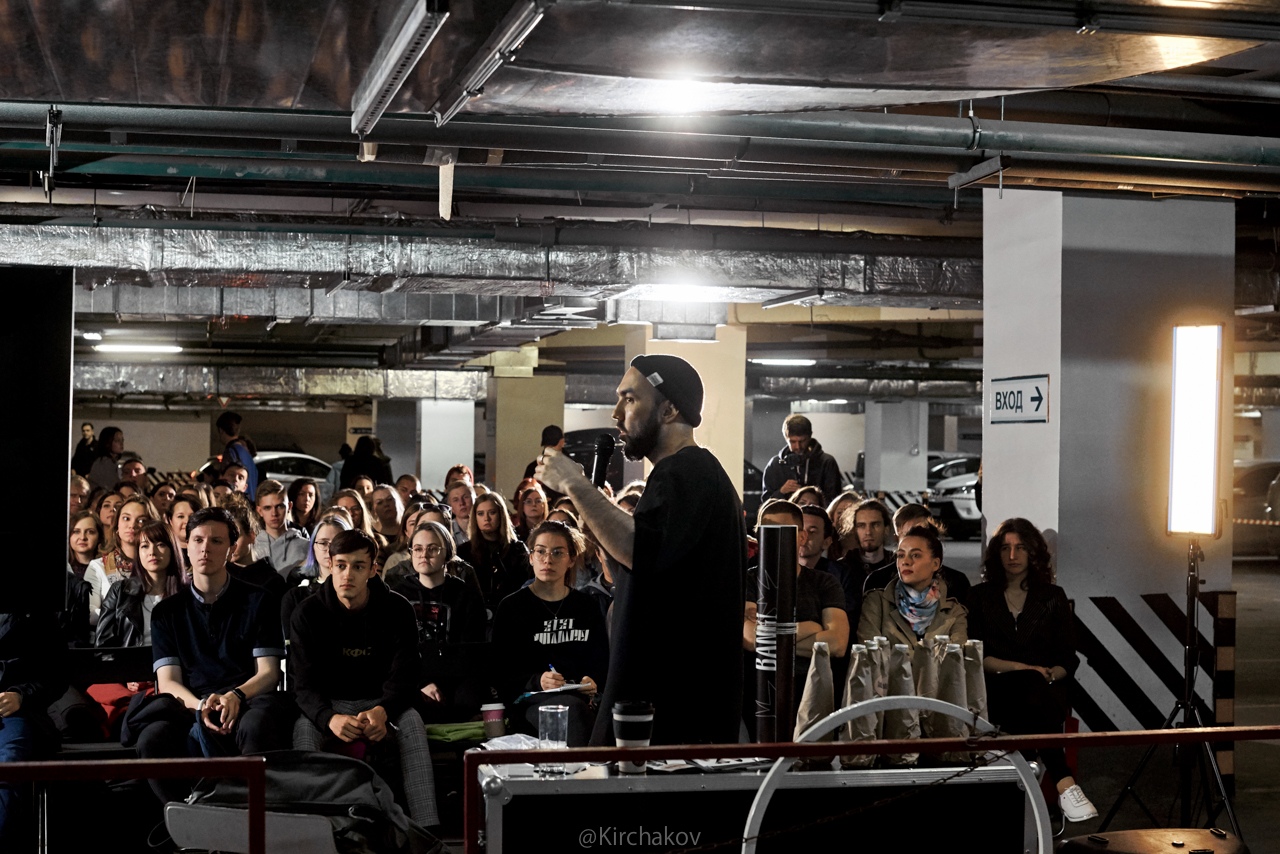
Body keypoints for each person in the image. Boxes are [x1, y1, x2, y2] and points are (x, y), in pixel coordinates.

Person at [538, 353, 745, 746]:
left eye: (630, 399)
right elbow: (648, 568)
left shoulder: (687, 472)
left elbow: (640, 549)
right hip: (671, 704)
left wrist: (574, 485)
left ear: (669, 409)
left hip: (674, 709)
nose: (616, 413)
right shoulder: (689, 474)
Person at [138, 507, 292, 804]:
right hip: (191, 703)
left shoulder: (259, 600)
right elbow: (168, 682)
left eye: (216, 541)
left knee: (257, 726)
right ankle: (186, 818)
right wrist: (201, 706)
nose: (205, 548)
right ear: (187, 546)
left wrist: (235, 696)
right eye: (198, 540)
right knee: (152, 739)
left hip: (246, 699)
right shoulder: (167, 612)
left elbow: (269, 673)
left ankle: (251, 815)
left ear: (231, 548)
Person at [290, 529, 438, 827]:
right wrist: (328, 718)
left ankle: (427, 829)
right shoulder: (307, 613)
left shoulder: (398, 609)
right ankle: (310, 829)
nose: (348, 574)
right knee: (304, 729)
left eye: (358, 566)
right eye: (341, 565)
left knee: (412, 722)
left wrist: (384, 710)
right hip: (331, 704)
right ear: (330, 565)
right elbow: (303, 685)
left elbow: (406, 673)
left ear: (373, 570)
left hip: (382, 702)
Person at [968, 517, 1097, 822]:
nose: (1012, 556)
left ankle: (1023, 777)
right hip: (996, 690)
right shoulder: (980, 596)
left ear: (1033, 552)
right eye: (1005, 548)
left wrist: (1051, 674)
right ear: (996, 553)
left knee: (1033, 689)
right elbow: (976, 655)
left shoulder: (1052, 597)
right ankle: (1064, 783)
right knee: (1027, 683)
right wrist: (1026, 669)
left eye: (1021, 548)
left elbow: (1068, 658)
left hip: (1045, 693)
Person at [492, 520, 608, 746]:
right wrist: (537, 681)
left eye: (557, 552)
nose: (548, 559)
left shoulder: (586, 606)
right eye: (541, 551)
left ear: (571, 559)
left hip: (581, 698)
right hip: (531, 700)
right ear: (531, 557)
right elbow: (500, 671)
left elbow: (601, 660)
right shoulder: (512, 607)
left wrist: (592, 680)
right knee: (571, 712)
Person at [743, 500, 848, 732]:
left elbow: (837, 644)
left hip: (809, 691)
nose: (774, 538)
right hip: (759, 692)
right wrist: (809, 627)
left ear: (801, 537)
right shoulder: (749, 580)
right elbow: (750, 639)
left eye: (783, 531)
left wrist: (771, 635)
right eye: (766, 531)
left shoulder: (824, 583)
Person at [393, 520, 488, 722]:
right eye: (418, 549)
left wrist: (442, 684)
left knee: (469, 699)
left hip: (457, 678)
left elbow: (471, 651)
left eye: (432, 549)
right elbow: (396, 650)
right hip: (413, 677)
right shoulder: (398, 595)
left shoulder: (466, 595)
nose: (424, 555)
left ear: (447, 552)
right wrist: (422, 683)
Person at [0, 612, 66, 846]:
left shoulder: (40, 618)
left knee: (8, 762)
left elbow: (57, 677)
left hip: (13, 713)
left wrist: (21, 695)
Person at [856, 524, 967, 653]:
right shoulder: (877, 603)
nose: (905, 562)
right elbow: (870, 655)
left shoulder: (954, 611)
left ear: (935, 564)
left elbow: (955, 658)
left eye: (915, 555)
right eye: (901, 555)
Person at [860, 503, 972, 606]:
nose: (915, 539)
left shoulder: (956, 582)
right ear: (897, 539)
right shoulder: (877, 582)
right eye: (908, 534)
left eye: (922, 532)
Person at [95, 518, 183, 647]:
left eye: (160, 545)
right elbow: (103, 646)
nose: (152, 552)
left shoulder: (187, 594)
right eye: (145, 546)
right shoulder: (120, 592)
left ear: (172, 549)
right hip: (131, 659)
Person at [457, 493, 532, 619]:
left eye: (492, 512)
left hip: (511, 614)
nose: (486, 518)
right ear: (475, 517)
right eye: (480, 514)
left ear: (501, 515)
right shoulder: (464, 551)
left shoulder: (517, 549)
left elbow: (526, 586)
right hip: (474, 616)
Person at [86, 495, 158, 622]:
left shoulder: (157, 564)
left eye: (141, 520)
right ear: (117, 525)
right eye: (126, 518)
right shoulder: (98, 566)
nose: (132, 525)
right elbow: (89, 613)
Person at [281, 513, 352, 635]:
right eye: (323, 543)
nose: (329, 549)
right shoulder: (296, 596)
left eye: (337, 543)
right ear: (313, 547)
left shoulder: (360, 592)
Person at [762, 414, 842, 502]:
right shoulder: (775, 465)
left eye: (802, 441)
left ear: (810, 436)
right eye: (793, 441)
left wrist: (812, 497)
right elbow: (765, 503)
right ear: (785, 438)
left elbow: (834, 501)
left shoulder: (827, 462)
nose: (798, 446)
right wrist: (781, 492)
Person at [253, 479, 311, 579]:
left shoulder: (306, 546)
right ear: (259, 511)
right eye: (267, 508)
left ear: (289, 507)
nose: (274, 513)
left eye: (279, 506)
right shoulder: (252, 547)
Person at [522, 424, 570, 505]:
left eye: (553, 445)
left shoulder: (572, 467)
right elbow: (526, 493)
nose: (550, 449)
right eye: (548, 445)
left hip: (566, 508)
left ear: (562, 442)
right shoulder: (533, 468)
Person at [216, 411, 259, 498]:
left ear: (221, 431)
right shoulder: (247, 454)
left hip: (237, 500)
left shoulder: (231, 452)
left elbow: (227, 484)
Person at [87, 426, 125, 492]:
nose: (121, 443)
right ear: (107, 443)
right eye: (117, 440)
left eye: (122, 440)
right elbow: (112, 487)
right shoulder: (104, 463)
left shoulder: (111, 462)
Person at [69, 511, 104, 579]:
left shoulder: (106, 567)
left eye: (90, 532)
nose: (82, 537)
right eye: (76, 532)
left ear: (99, 537)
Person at [444, 479, 473, 546]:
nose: (461, 503)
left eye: (465, 497)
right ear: (450, 505)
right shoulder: (447, 531)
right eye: (455, 500)